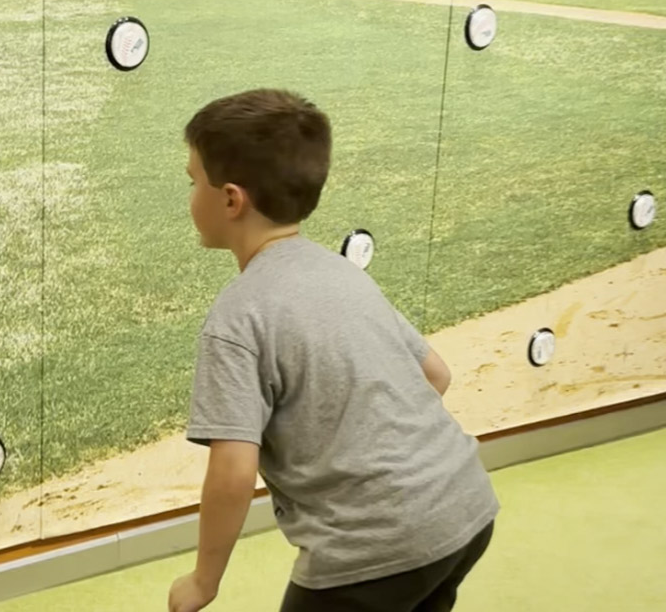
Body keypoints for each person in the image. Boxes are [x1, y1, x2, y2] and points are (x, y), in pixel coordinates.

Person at [168, 89, 500, 612]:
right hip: (465, 509)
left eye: (192, 182)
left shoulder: (238, 316)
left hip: (373, 551)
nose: (188, 196)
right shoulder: (342, 273)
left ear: (231, 200)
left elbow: (233, 472)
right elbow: (435, 374)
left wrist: (203, 583)